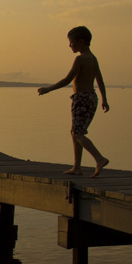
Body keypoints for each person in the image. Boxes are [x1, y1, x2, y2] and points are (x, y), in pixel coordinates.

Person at [37, 26, 110, 177]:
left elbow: (67, 80)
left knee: (77, 134)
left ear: (81, 42)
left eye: (71, 42)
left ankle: (99, 158)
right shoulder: (93, 58)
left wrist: (48, 89)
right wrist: (104, 100)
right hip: (91, 98)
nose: (70, 46)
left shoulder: (80, 59)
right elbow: (100, 81)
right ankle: (77, 167)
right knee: (75, 132)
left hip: (81, 99)